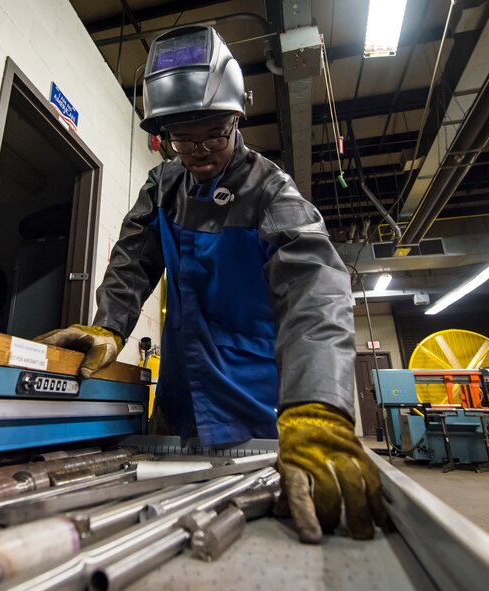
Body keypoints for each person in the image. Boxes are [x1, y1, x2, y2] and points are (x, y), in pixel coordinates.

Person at [36, 25, 384, 544]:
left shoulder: (272, 193)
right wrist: (108, 328)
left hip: (260, 407)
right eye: (181, 137)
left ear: (237, 120)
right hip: (181, 398)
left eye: (213, 134)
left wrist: (317, 407)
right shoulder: (163, 186)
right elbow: (132, 261)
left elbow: (315, 294)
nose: (197, 150)